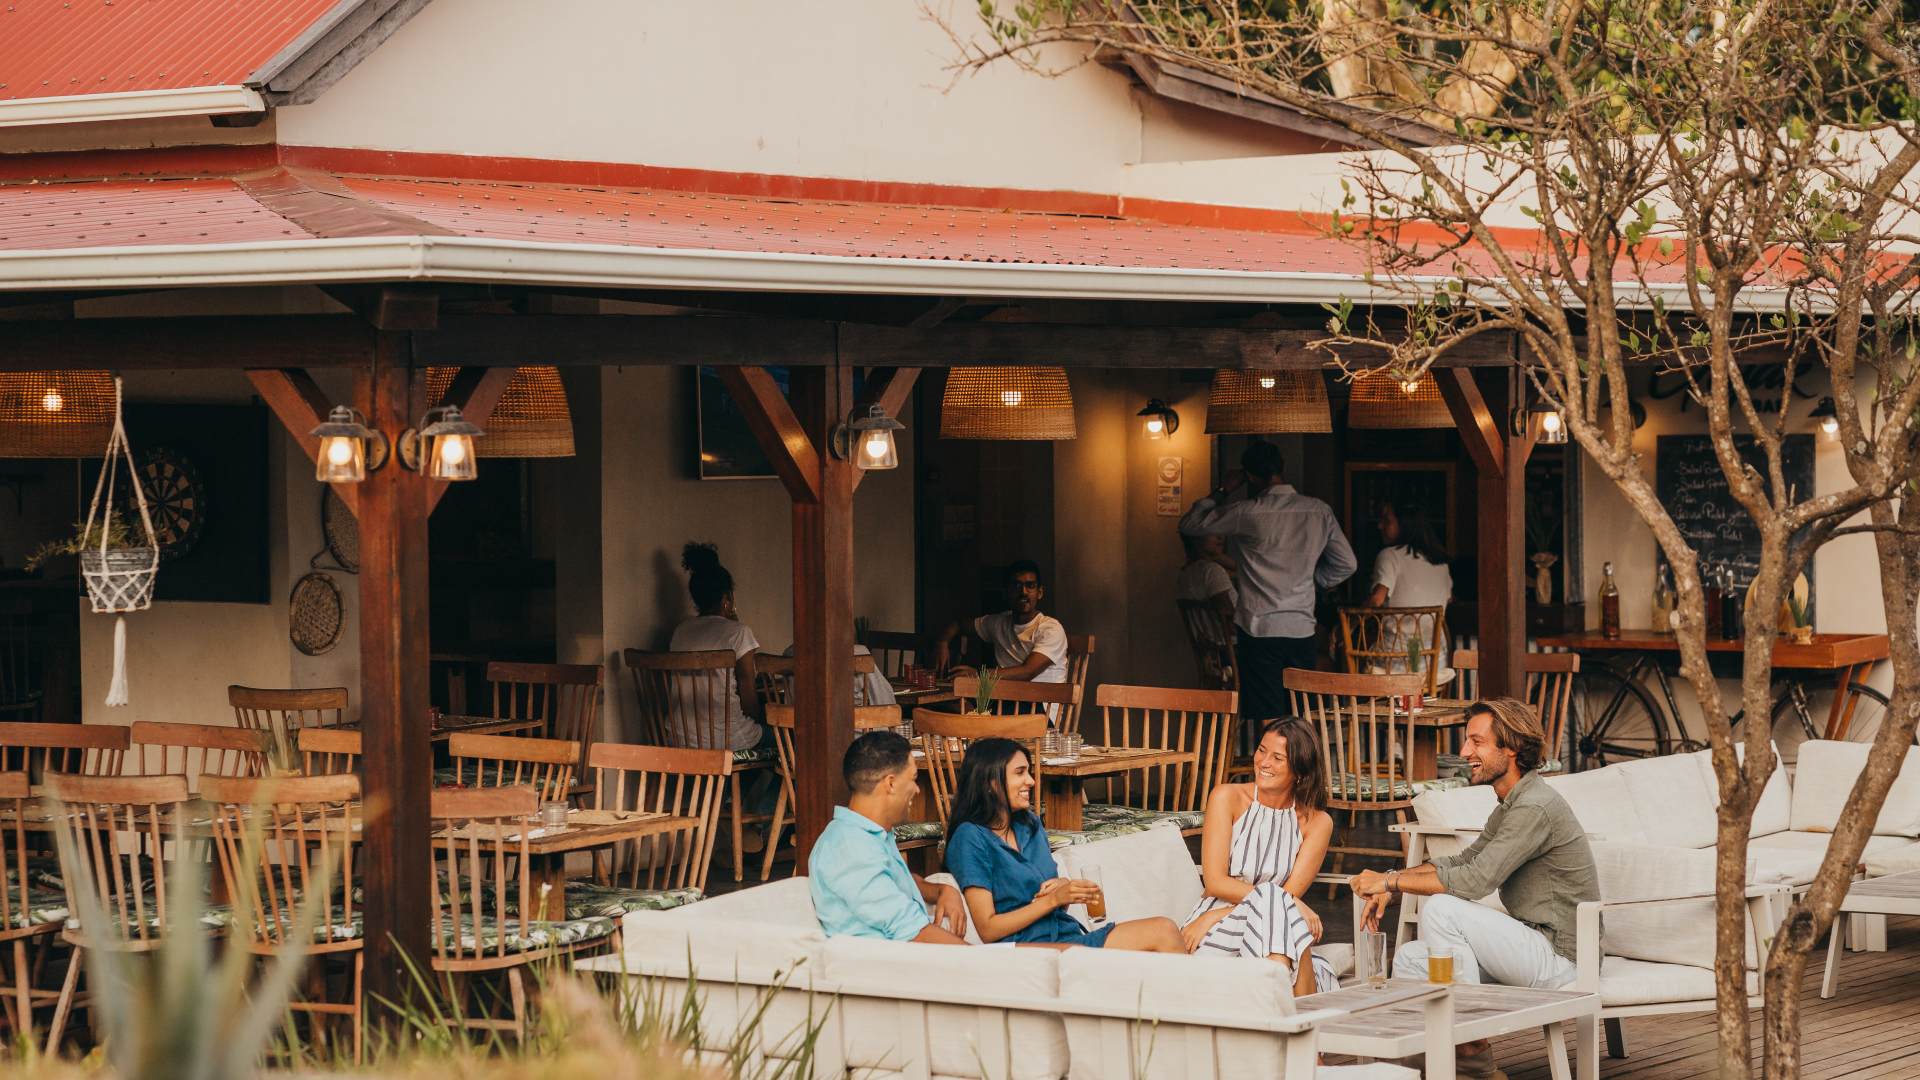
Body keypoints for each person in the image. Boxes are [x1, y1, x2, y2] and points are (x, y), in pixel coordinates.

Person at [1352, 698, 1598, 1080]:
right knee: (1411, 960)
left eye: (1476, 742)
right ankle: (1438, 1061)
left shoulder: (1534, 807)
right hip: (1530, 947)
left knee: (1441, 909)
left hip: (1562, 958)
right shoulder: (1509, 805)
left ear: (1511, 748)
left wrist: (1388, 882)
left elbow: (1474, 880)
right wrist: (1392, 878)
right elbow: (1460, 863)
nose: (1464, 752)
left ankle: (1471, 1050)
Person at [943, 738, 1185, 952]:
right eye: (1020, 773)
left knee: (1164, 931)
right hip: (1024, 950)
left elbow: (1054, 900)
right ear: (991, 782)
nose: (1032, 781)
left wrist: (1064, 888)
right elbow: (988, 928)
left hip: (1067, 937)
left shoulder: (1029, 824)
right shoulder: (970, 838)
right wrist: (1053, 900)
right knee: (1161, 932)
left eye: (1029, 772)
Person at [1180, 442, 1357, 721]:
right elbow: (1348, 563)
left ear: (1249, 477)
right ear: (1281, 468)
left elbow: (1190, 525)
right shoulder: (1318, 511)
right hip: (1301, 629)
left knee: (1269, 715)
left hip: (1259, 630)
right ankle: (1298, 764)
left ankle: (1271, 764)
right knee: (1300, 714)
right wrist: (1314, 581)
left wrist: (1224, 490)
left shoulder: (1246, 512)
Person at [1181, 717, 1338, 996]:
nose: (1264, 762)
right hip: (1227, 923)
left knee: (1275, 905)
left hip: (1267, 921)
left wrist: (1215, 916)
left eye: (1278, 757)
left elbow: (1284, 898)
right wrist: (1289, 904)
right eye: (1262, 750)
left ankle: (1278, 988)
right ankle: (1290, 1005)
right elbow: (1215, 882)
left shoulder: (1317, 823)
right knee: (1277, 907)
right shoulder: (1226, 797)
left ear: (1299, 770)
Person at [810, 731, 970, 943]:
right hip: (892, 966)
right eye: (913, 779)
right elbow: (914, 933)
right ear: (891, 784)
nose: (917, 790)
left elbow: (894, 881)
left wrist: (941, 890)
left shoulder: (868, 835)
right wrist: (994, 966)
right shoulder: (850, 848)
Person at [667, 542, 768, 752]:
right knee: (790, 742)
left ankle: (725, 786)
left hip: (680, 739)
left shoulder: (680, 631)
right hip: (726, 741)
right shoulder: (739, 632)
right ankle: (733, 785)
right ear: (726, 599)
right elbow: (749, 700)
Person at [931, 560, 1068, 685]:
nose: (1023, 592)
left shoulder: (1051, 628)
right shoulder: (999, 622)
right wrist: (942, 642)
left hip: (1041, 704)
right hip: (1007, 699)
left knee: (968, 701)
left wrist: (978, 675)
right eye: (1016, 586)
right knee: (949, 702)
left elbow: (1028, 672)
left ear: (1040, 592)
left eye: (1030, 586)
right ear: (1007, 592)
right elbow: (960, 624)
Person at [1365, 500, 1454, 684]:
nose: (1379, 525)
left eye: (1387, 520)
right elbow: (1449, 598)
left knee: (1353, 653)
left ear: (1403, 524)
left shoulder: (1389, 555)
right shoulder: (1441, 563)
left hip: (1395, 664)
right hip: (1433, 665)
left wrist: (1346, 627)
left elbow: (1377, 600)